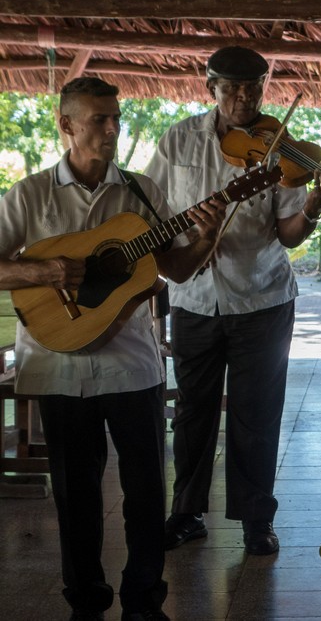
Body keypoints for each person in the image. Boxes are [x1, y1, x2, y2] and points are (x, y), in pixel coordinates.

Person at [0, 77, 225, 620]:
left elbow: (172, 269)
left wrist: (206, 236)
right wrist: (42, 269)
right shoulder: (28, 194)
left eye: (116, 118)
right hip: (55, 362)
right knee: (75, 496)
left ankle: (144, 598)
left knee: (147, 491)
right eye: (98, 118)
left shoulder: (142, 192)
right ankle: (85, 600)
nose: (111, 128)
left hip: (131, 364)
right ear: (66, 125)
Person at [145, 46, 321, 556]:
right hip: (193, 298)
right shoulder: (178, 139)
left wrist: (313, 210)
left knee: (257, 413)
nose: (244, 98)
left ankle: (256, 519)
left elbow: (289, 232)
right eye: (232, 88)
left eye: (254, 88)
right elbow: (152, 212)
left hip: (263, 298)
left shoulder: (279, 146)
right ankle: (186, 513)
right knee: (192, 411)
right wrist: (187, 247)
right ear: (211, 88)